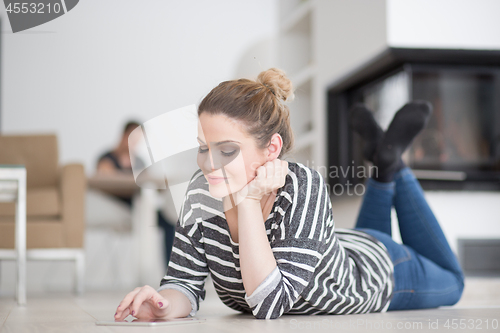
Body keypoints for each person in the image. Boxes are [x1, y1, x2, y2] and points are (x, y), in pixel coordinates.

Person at [113, 68, 464, 321]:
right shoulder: (200, 194)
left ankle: (392, 165)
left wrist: (249, 202)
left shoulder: (303, 185)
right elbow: (183, 283)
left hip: (381, 272)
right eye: (203, 149)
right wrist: (161, 307)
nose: (208, 165)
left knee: (454, 282)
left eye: (227, 150)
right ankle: (384, 161)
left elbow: (269, 305)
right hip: (343, 247)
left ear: (271, 149)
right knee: (366, 237)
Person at [96, 120, 177, 267]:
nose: (135, 143)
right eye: (133, 138)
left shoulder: (139, 161)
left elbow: (147, 183)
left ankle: (172, 270)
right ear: (124, 136)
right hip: (117, 207)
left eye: (139, 139)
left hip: (139, 205)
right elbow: (104, 181)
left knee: (170, 221)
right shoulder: (107, 159)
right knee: (149, 215)